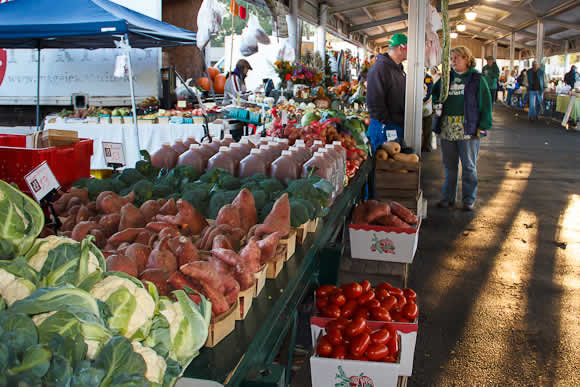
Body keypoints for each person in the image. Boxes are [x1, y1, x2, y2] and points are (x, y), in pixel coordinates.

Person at [432, 46, 492, 211]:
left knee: (469, 166)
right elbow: (434, 94)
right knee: (449, 166)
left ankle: (468, 199)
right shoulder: (445, 78)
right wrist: (436, 103)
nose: (454, 60)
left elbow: (486, 104)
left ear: (467, 59)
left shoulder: (476, 79)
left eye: (458, 57)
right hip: (447, 128)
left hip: (468, 127)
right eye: (452, 58)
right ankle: (448, 198)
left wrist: (484, 125)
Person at [366, 33, 408, 152]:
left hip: (395, 124)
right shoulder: (380, 68)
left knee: (393, 165)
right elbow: (374, 101)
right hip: (384, 126)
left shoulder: (398, 69)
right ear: (401, 47)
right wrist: (387, 122)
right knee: (383, 165)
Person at [422, 71, 434, 152]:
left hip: (427, 106)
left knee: (427, 128)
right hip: (418, 106)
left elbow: (429, 92)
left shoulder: (428, 78)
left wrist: (423, 101)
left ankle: (427, 146)